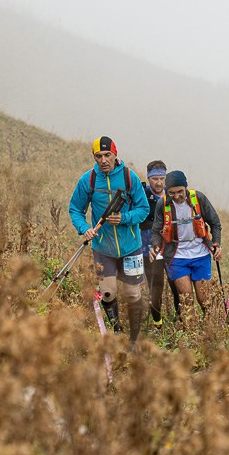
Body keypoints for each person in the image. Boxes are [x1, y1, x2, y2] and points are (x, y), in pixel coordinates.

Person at [69, 136, 150, 348]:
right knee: (108, 292)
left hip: (131, 247)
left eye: (108, 155)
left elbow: (144, 209)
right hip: (103, 248)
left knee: (133, 294)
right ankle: (117, 330)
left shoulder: (129, 177)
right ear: (94, 158)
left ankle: (134, 339)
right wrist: (84, 228)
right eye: (99, 156)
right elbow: (75, 209)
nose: (104, 160)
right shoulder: (88, 180)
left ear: (115, 154)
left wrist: (124, 218)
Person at [149, 170, 222, 318]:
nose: (176, 196)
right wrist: (155, 246)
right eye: (171, 193)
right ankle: (190, 336)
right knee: (186, 300)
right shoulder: (162, 204)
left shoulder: (198, 198)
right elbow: (156, 230)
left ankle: (212, 332)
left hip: (200, 254)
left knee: (204, 301)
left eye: (180, 192)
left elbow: (215, 223)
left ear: (186, 188)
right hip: (176, 256)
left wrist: (217, 244)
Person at [139, 160, 181, 330]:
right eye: (154, 179)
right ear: (148, 179)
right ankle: (158, 325)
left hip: (171, 248)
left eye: (162, 178)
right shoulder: (141, 195)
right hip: (148, 249)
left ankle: (181, 321)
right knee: (156, 287)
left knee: (177, 285)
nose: (158, 182)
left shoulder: (172, 196)